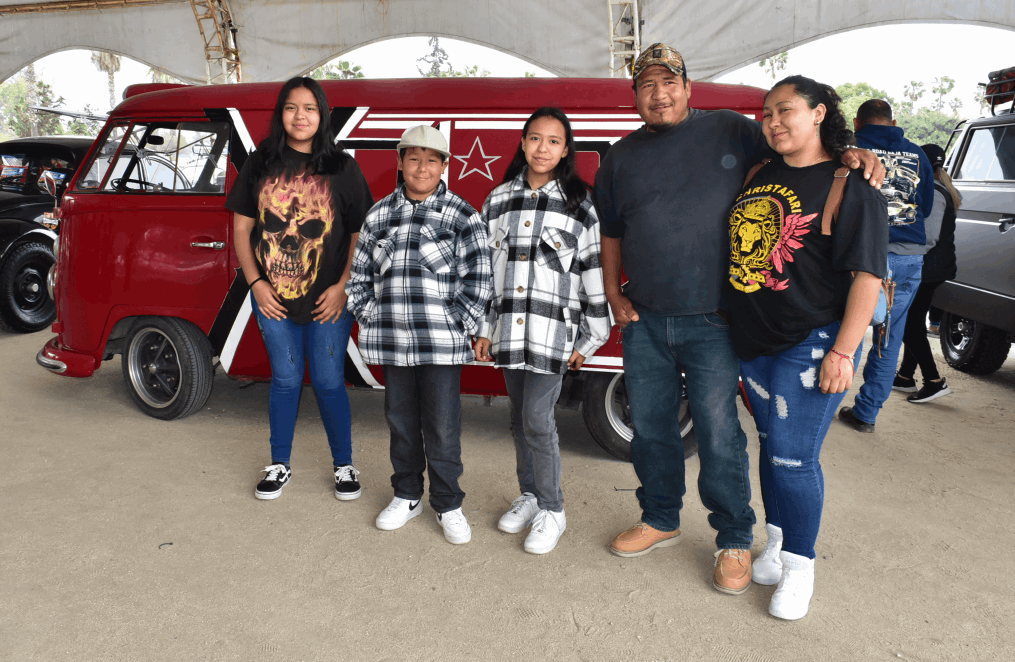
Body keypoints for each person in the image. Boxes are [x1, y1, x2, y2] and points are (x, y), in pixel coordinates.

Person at [593, 43, 884, 595]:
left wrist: (853, 153)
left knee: (720, 433)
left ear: (687, 86)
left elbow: (800, 149)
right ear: (635, 96)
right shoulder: (620, 157)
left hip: (718, 320)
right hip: (646, 319)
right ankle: (659, 518)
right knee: (652, 430)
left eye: (669, 82)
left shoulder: (731, 128)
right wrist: (613, 293)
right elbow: (611, 231)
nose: (659, 93)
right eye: (646, 86)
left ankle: (733, 537)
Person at [729, 76, 887, 620]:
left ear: (819, 113)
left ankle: (801, 565)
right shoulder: (759, 173)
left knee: (795, 459)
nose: (773, 121)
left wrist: (845, 352)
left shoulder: (851, 182)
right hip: (753, 340)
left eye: (786, 110)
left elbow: (868, 274)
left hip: (814, 340)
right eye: (767, 112)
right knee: (770, 444)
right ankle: (776, 538)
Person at [225, 76, 374, 503]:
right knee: (286, 379)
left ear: (322, 114)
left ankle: (344, 464)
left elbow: (360, 235)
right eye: (291, 107)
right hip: (272, 298)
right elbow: (241, 227)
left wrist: (344, 286)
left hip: (330, 301)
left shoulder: (343, 168)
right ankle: (279, 463)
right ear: (281, 114)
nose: (300, 116)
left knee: (328, 381)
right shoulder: (260, 164)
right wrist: (256, 283)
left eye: (309, 108)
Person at [473, 107, 611, 554]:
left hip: (554, 335)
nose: (542, 148)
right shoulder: (498, 200)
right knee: (518, 419)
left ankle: (553, 508)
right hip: (509, 332)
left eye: (553, 141)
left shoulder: (580, 204)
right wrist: (483, 327)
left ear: (566, 149)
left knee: (537, 417)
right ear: (522, 143)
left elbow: (592, 269)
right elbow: (482, 273)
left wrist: (589, 340)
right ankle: (530, 496)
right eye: (535, 138)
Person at [346, 125, 491, 545]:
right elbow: (359, 279)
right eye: (413, 158)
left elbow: (479, 280)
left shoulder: (462, 215)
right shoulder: (378, 215)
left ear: (445, 166)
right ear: (399, 162)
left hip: (439, 345)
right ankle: (406, 495)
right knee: (401, 422)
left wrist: (458, 324)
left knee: (443, 426)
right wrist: (372, 316)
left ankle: (448, 504)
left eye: (432, 159)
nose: (422, 166)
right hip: (394, 343)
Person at [839, 99, 935, 432]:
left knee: (843, 329)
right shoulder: (918, 154)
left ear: (857, 121)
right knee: (888, 338)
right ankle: (866, 414)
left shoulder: (850, 150)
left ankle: (827, 402)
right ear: (893, 121)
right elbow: (925, 207)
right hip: (909, 255)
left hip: (861, 255)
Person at [894, 143, 959, 403]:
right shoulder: (941, 187)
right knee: (916, 322)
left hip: (927, 268)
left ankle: (934, 381)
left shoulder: (933, 189)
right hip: (934, 267)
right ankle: (905, 376)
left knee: (910, 325)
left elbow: (929, 238)